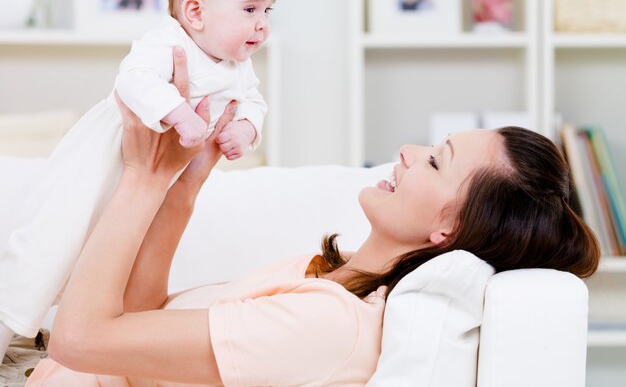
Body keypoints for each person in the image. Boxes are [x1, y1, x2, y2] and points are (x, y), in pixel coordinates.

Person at [24, 49, 600, 385]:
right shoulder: (327, 273)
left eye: (434, 161)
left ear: (446, 231)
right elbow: (136, 328)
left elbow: (82, 339)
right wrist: (181, 188)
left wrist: (142, 177)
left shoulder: (333, 325)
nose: (406, 152)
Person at [0, 0, 277, 358]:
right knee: (50, 242)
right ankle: (8, 323)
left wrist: (246, 129)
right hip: (101, 159)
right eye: (250, 9)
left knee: (106, 257)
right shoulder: (171, 41)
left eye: (268, 10)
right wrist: (180, 114)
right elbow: (133, 79)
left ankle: (62, 336)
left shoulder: (239, 65)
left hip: (154, 179)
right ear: (195, 12)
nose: (262, 23)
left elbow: (254, 102)